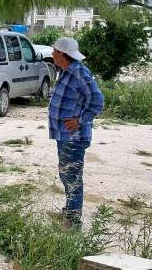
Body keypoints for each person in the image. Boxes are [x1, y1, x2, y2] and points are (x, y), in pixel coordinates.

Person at [48, 37, 104, 227]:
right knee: (66, 173)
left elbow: (97, 101)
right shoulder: (66, 71)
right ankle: (69, 211)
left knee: (72, 176)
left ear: (62, 54)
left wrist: (80, 121)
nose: (52, 53)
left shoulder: (79, 73)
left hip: (73, 137)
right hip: (64, 135)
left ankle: (73, 221)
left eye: (54, 51)